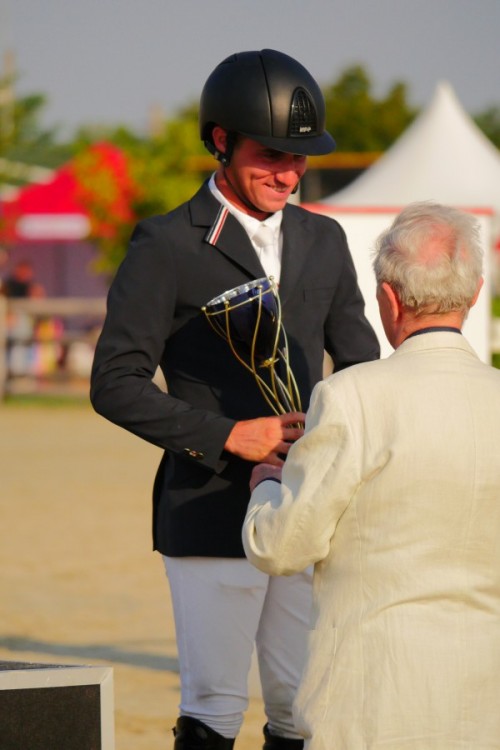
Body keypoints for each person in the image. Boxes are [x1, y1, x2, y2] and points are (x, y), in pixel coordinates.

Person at [90, 48, 379, 749]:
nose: (288, 173)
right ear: (220, 140)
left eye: (299, 156)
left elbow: (361, 363)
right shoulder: (165, 244)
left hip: (308, 504)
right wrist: (227, 435)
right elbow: (114, 383)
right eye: (270, 154)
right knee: (216, 707)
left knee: (301, 709)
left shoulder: (324, 238)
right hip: (210, 505)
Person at [243, 201, 500, 750]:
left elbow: (283, 547)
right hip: (485, 700)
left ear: (388, 298)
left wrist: (265, 486)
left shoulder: (350, 395)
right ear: (476, 293)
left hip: (373, 701)